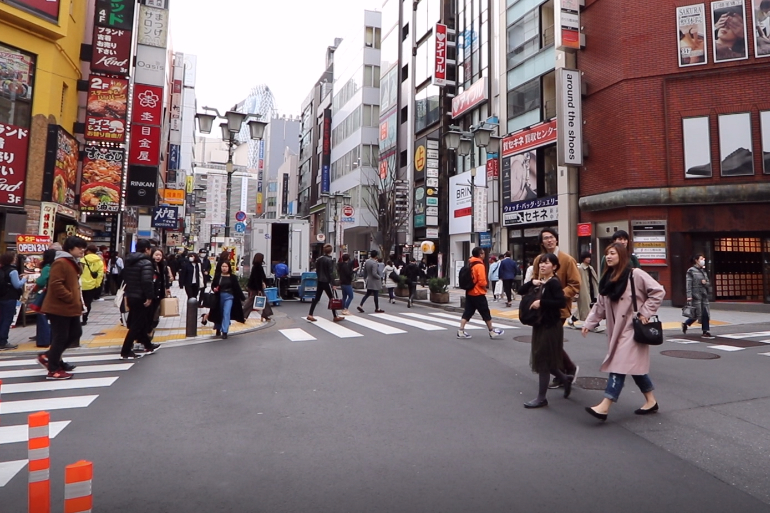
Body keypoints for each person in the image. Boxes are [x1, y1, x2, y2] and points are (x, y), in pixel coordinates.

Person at [582, 243, 665, 421]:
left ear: (621, 255)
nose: (609, 256)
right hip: (616, 329)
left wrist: (645, 312)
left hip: (632, 328)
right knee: (633, 366)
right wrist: (589, 323)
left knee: (619, 364)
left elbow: (658, 291)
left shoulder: (635, 274)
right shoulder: (607, 279)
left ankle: (605, 406)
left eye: (612, 253)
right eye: (607, 253)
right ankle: (651, 401)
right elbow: (600, 305)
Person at [518, 253, 572, 408]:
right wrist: (531, 282)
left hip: (550, 325)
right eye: (541, 263)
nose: (542, 266)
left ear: (554, 267)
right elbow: (521, 290)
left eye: (546, 263)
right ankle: (565, 378)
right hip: (540, 324)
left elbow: (561, 302)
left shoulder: (554, 283)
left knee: (542, 359)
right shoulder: (540, 282)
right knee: (546, 359)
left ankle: (541, 398)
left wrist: (541, 302)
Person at [530, 228, 581, 387]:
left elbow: (575, 284)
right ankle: (563, 374)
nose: (549, 240)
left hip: (559, 308)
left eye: (551, 237)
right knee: (551, 343)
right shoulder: (539, 259)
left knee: (550, 342)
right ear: (542, 242)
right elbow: (534, 279)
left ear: (556, 239)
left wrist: (555, 293)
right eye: (545, 238)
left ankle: (568, 370)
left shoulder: (567, 260)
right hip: (542, 309)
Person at [37, 237, 87, 379]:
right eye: (79, 247)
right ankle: (53, 369)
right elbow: (56, 284)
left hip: (70, 307)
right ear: (70, 249)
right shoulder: (61, 262)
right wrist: (70, 297)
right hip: (59, 307)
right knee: (61, 337)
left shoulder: (73, 262)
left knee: (75, 333)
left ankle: (50, 356)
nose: (82, 250)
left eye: (83, 247)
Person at [120, 239, 161, 360]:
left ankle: (148, 345)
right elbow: (147, 281)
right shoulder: (146, 262)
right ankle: (126, 350)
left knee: (140, 321)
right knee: (136, 324)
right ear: (147, 249)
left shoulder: (129, 261)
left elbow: (123, 277)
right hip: (141, 297)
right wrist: (149, 296)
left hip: (131, 295)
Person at [457, 247, 505, 340]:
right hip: (478, 293)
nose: (484, 255)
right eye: (483, 253)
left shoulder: (469, 262)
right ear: (480, 255)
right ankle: (491, 331)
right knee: (485, 312)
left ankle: (461, 330)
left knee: (468, 311)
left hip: (469, 291)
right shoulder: (479, 265)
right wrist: (485, 287)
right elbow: (482, 281)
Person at [208, 261, 247, 339]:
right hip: (219, 297)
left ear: (229, 267)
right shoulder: (218, 276)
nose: (224, 268)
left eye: (226, 266)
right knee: (219, 313)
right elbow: (213, 285)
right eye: (223, 266)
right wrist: (214, 289)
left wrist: (243, 298)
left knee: (226, 313)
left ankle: (225, 331)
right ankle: (218, 328)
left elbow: (237, 288)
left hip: (229, 297)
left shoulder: (232, 277)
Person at [307, 244, 344, 323]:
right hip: (326, 281)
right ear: (331, 251)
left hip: (320, 280)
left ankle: (310, 314)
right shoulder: (329, 260)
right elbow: (330, 273)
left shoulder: (319, 259)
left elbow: (317, 270)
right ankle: (335, 316)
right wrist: (333, 284)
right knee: (332, 298)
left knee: (317, 298)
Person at [683, 253, 714, 339]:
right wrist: (689, 295)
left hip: (704, 294)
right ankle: (686, 323)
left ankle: (705, 331)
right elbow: (688, 284)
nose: (703, 260)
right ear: (696, 260)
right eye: (701, 259)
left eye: (703, 259)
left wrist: (705, 283)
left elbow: (708, 283)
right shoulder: (691, 271)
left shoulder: (703, 271)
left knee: (705, 313)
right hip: (695, 295)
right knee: (697, 314)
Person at [0, 251, 26, 350]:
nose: (15, 259)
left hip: (1, 297)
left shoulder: (2, 269)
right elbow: (17, 285)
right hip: (10, 298)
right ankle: (3, 342)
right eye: (14, 258)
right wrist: (24, 279)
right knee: (7, 320)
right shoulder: (13, 271)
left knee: (1, 319)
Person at [568, 251, 601, 331]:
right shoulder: (579, 268)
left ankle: (571, 320)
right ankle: (594, 325)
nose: (589, 259)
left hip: (592, 291)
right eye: (587, 258)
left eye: (589, 257)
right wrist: (576, 291)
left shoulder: (590, 268)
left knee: (582, 309)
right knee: (588, 309)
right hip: (584, 291)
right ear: (583, 259)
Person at [34, 249, 57, 348]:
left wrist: (36, 280)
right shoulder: (56, 266)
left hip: (44, 295)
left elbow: (41, 282)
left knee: (42, 317)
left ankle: (44, 340)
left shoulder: (47, 268)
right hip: (53, 295)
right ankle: (51, 338)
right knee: (51, 318)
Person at [148, 248, 172, 335]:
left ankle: (150, 329)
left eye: (160, 255)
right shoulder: (149, 265)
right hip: (152, 293)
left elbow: (165, 277)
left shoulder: (162, 265)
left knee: (156, 312)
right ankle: (149, 331)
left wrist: (167, 287)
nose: (158, 257)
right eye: (156, 255)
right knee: (151, 313)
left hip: (160, 292)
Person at [80, 245, 104, 326]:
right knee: (88, 303)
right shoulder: (99, 261)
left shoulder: (83, 260)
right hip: (92, 285)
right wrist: (97, 284)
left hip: (81, 285)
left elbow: (79, 272)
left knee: (79, 302)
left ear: (88, 251)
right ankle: (85, 319)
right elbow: (100, 275)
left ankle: (77, 318)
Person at [245, 253, 268, 320]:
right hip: (255, 287)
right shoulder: (258, 267)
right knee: (251, 301)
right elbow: (257, 278)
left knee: (262, 300)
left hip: (254, 286)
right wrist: (259, 289)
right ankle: (243, 314)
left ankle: (266, 314)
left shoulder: (256, 266)